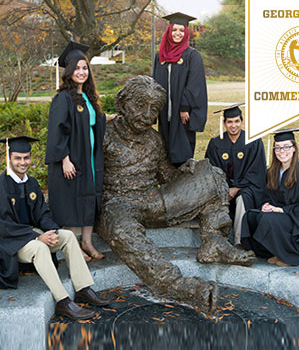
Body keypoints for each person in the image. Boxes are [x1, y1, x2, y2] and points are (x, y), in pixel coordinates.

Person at [96, 76, 256, 314]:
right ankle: (175, 284)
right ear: (122, 102)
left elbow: (165, 175)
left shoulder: (153, 139)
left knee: (210, 173)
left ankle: (214, 241)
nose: (147, 115)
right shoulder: (104, 134)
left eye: (154, 109)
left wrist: (185, 171)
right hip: (118, 205)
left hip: (153, 200)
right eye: (140, 106)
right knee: (120, 230)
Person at [0, 136, 109, 319]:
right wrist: (36, 238)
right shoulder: (1, 185)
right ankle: (62, 302)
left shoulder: (31, 182)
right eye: (18, 158)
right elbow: (4, 225)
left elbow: (42, 213)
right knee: (40, 247)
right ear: (8, 158)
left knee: (66, 235)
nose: (23, 162)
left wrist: (52, 231)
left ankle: (83, 288)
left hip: (29, 235)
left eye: (26, 157)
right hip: (10, 243)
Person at [46, 41, 108, 261]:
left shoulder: (89, 98)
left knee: (88, 198)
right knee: (72, 199)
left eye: (85, 68)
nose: (81, 72)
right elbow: (57, 130)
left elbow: (94, 123)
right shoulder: (63, 98)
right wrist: (65, 159)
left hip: (89, 159)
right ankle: (74, 247)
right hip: (72, 158)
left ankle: (88, 243)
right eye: (77, 68)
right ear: (69, 71)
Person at [241, 128, 299, 266]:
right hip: (278, 216)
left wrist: (283, 210)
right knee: (251, 216)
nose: (282, 151)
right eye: (278, 148)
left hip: (297, 219)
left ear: (294, 148)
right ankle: (272, 252)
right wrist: (266, 205)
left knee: (268, 219)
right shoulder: (272, 172)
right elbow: (265, 195)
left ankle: (289, 256)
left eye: (286, 147)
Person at [205, 104, 267, 249]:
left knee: (243, 198)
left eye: (237, 121)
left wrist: (236, 188)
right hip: (223, 187)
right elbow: (211, 169)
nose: (233, 126)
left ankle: (239, 242)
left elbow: (257, 171)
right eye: (230, 122)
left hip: (247, 186)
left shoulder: (254, 142)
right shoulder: (216, 143)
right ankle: (216, 241)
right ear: (224, 123)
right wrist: (225, 188)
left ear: (242, 121)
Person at [153, 12, 208, 166]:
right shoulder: (160, 57)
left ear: (186, 34)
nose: (178, 33)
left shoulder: (192, 56)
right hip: (165, 112)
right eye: (175, 30)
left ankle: (183, 184)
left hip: (182, 114)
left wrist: (184, 106)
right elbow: (155, 83)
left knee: (182, 153)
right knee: (164, 151)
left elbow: (194, 84)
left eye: (181, 31)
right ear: (169, 31)